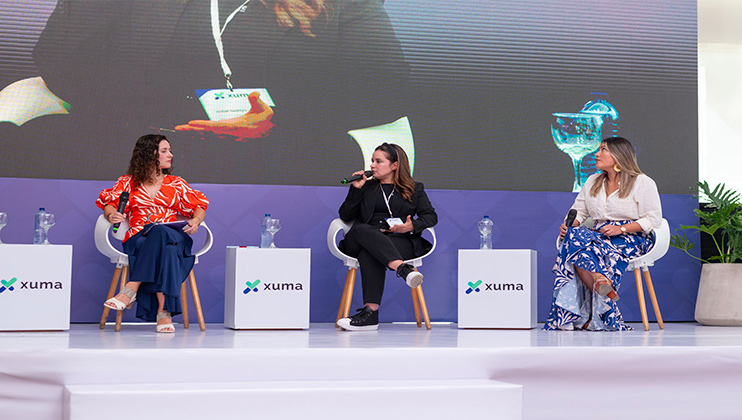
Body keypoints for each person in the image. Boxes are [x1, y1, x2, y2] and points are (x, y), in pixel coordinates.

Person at [544, 136, 662, 331]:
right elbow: (579, 212)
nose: (596, 154)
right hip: (599, 235)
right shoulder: (592, 181)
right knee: (574, 239)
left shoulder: (642, 182)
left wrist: (621, 228)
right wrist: (569, 224)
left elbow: (653, 219)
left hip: (632, 236)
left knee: (581, 255)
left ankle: (600, 309)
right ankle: (601, 281)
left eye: (603, 150)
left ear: (618, 156)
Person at [96, 134, 209, 333]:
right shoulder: (128, 182)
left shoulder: (177, 183)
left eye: (170, 150)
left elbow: (199, 206)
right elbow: (109, 203)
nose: (171, 155)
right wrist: (112, 214)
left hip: (175, 236)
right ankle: (163, 313)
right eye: (165, 151)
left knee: (161, 232)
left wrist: (196, 221)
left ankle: (131, 288)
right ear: (150, 155)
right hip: (140, 238)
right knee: (164, 247)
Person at [336, 143, 437, 331]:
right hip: (360, 239)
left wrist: (411, 226)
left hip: (398, 240)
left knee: (371, 251)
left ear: (395, 165)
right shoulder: (366, 187)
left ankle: (370, 314)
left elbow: (431, 216)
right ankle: (402, 269)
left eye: (378, 161)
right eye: (372, 161)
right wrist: (356, 189)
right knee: (360, 230)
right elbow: (346, 216)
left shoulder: (415, 189)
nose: (372, 165)